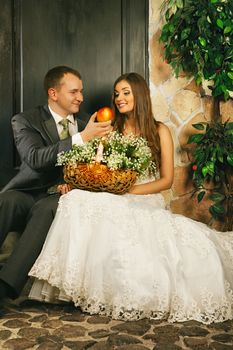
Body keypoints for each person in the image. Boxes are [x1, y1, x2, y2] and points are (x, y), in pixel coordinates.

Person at [29, 72, 233, 324]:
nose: (119, 98)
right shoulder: (111, 128)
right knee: (76, 201)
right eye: (116, 93)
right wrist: (82, 184)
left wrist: (129, 191)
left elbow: (166, 181)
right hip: (114, 191)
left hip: (142, 194)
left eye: (126, 92)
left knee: (116, 209)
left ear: (140, 95)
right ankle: (76, 287)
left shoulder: (160, 131)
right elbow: (98, 166)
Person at [0, 65, 113, 300]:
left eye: (81, 91)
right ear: (53, 93)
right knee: (7, 201)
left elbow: (97, 167)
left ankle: (4, 288)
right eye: (74, 92)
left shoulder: (86, 123)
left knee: (47, 209)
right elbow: (35, 159)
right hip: (29, 190)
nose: (81, 97)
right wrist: (81, 138)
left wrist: (75, 183)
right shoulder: (24, 120)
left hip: (61, 196)